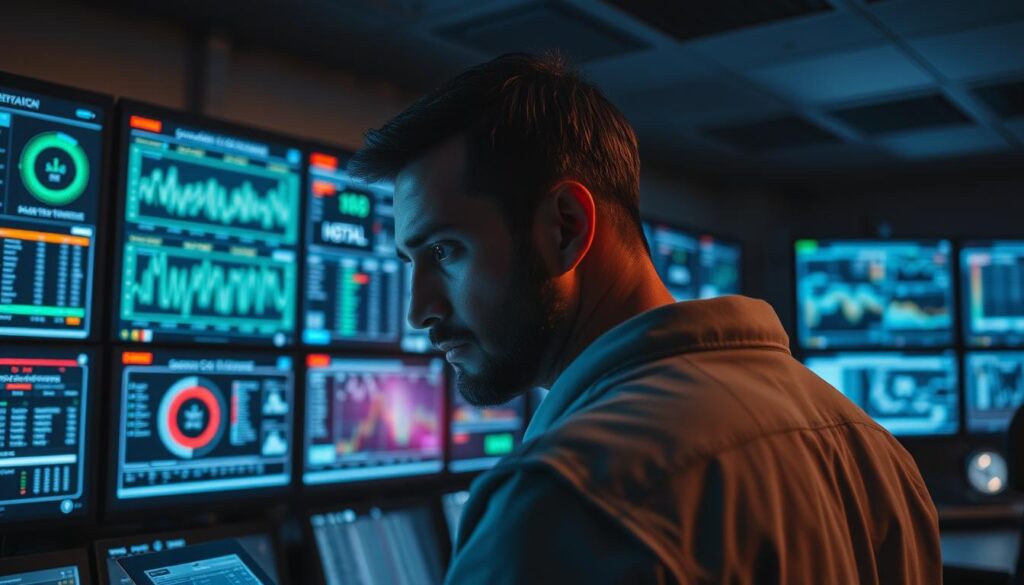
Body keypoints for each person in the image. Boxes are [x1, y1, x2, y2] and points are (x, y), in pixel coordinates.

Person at [349, 53, 941, 584]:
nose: (419, 310)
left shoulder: (563, 500)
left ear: (566, 228)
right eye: (410, 262)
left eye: (445, 252)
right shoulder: (875, 453)